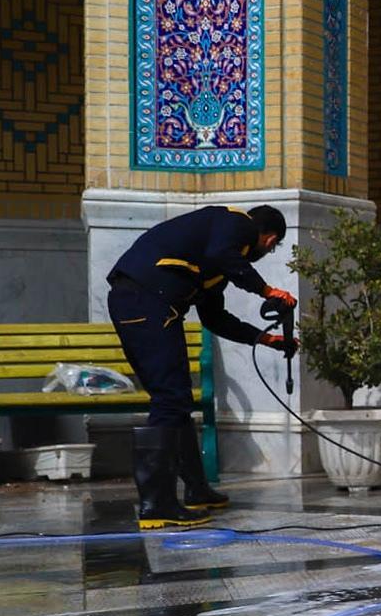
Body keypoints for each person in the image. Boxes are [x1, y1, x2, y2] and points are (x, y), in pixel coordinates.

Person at [107, 204, 298, 529]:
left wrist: (267, 341)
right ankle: (156, 504)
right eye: (272, 245)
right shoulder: (236, 224)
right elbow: (226, 255)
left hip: (147, 303)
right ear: (269, 239)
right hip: (145, 300)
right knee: (170, 398)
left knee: (175, 399)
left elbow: (215, 319)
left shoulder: (213, 262)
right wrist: (267, 291)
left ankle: (196, 490)